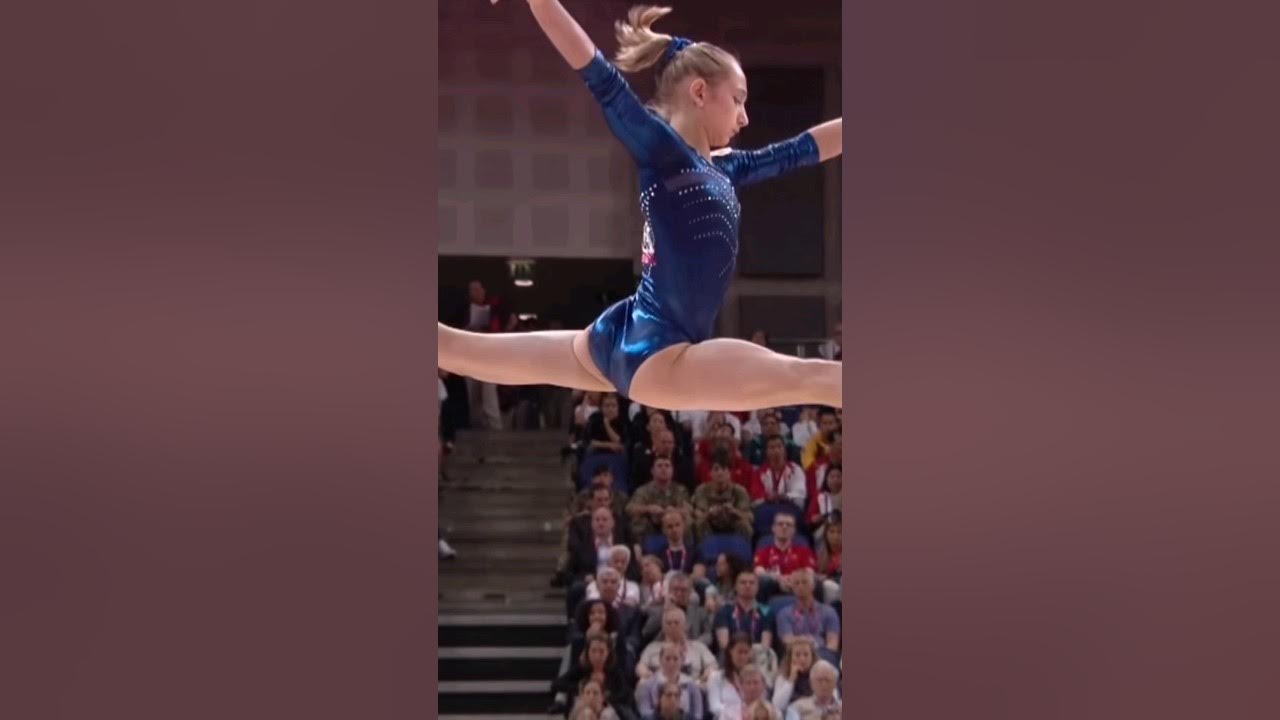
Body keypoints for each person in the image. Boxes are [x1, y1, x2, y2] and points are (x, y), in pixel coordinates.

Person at [440, 2, 843, 411]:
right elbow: (596, 72)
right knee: (817, 378)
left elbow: (802, 150)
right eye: (738, 100)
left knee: (458, 349)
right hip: (662, 355)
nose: (745, 118)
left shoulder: (727, 168)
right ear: (700, 92)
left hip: (616, 337)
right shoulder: (663, 150)